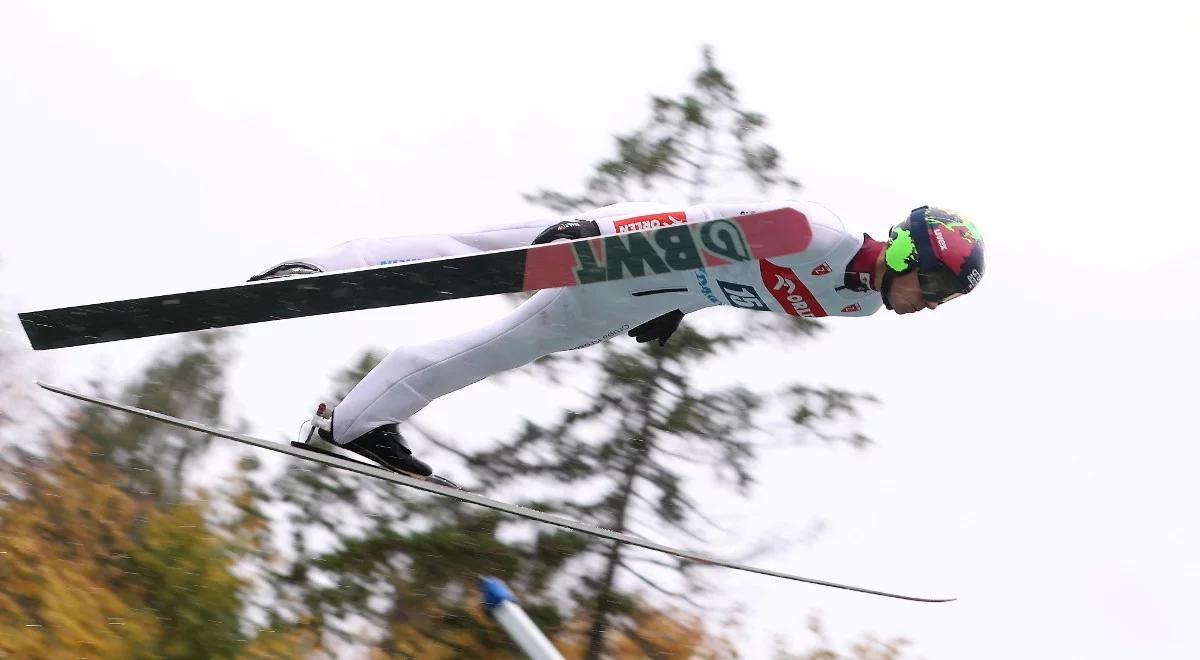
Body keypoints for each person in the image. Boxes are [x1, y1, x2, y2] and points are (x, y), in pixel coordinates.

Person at [251, 200, 985, 484]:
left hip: (641, 295)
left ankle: (351, 424)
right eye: (936, 288)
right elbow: (706, 221)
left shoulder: (855, 306)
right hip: (629, 252)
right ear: (903, 256)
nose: (933, 306)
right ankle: (319, 272)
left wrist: (679, 310)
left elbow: (738, 279)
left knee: (500, 347)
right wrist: (598, 233)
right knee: (472, 252)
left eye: (947, 301)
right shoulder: (811, 232)